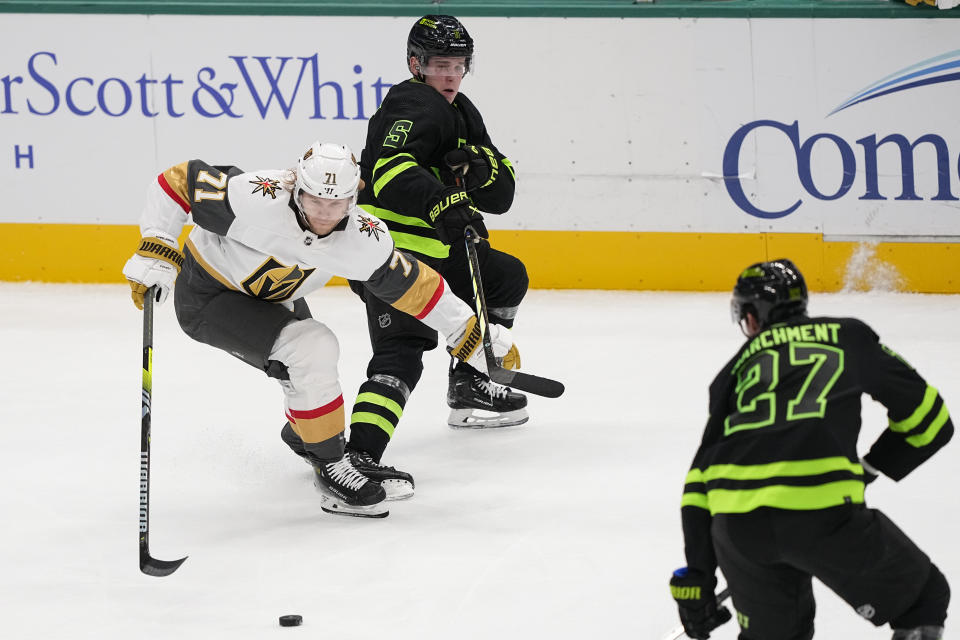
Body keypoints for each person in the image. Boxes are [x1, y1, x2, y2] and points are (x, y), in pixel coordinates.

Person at [121, 141, 518, 518]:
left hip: (276, 298)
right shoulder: (255, 198)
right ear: (296, 187)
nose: (325, 214)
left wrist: (467, 330)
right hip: (208, 294)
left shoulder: (363, 237)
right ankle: (330, 468)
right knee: (313, 347)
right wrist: (158, 243)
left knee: (309, 365)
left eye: (338, 202)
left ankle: (309, 437)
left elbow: (414, 284)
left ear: (354, 197)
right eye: (315, 200)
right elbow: (180, 180)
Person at [669, 259, 952, 640]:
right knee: (922, 600)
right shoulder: (846, 336)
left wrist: (698, 582)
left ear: (752, 318)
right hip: (821, 517)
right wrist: (869, 467)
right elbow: (930, 420)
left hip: (738, 530)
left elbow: (699, 484)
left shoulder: (731, 373)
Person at [344, 14, 530, 492]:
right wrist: (446, 200)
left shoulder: (462, 110)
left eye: (460, 65)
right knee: (402, 353)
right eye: (441, 64)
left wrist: (477, 167)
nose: (451, 75)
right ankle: (357, 456)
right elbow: (389, 169)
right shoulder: (411, 103)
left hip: (445, 256)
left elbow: (501, 192)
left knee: (506, 276)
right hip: (392, 260)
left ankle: (468, 381)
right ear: (416, 63)